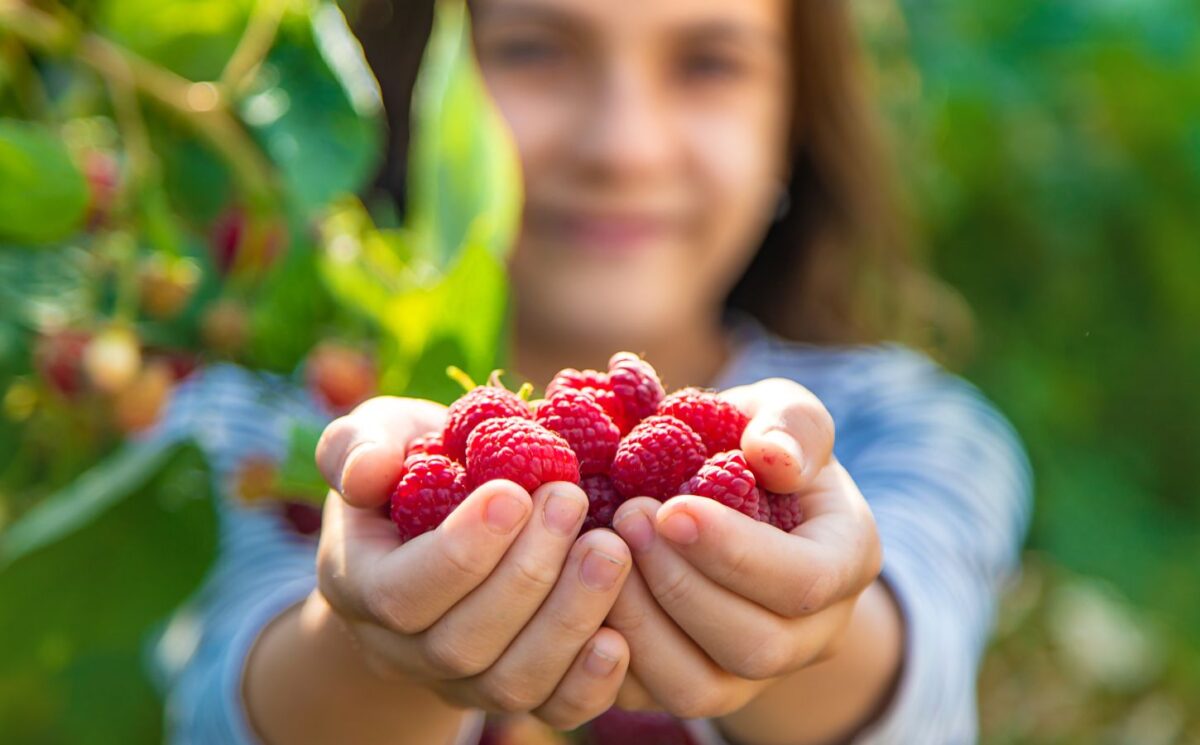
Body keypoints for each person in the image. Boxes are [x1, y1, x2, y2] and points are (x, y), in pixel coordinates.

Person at [151, 0, 1033, 743]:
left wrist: (811, 615)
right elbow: (224, 697)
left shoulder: (910, 427)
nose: (623, 146)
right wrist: (374, 633)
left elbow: (916, 679)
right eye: (535, 50)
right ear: (412, 84)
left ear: (794, 121)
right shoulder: (262, 428)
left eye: (708, 63)